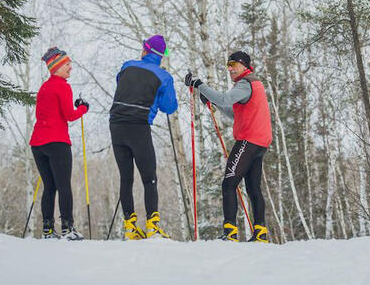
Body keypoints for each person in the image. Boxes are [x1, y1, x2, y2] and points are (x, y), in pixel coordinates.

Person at [185, 51, 272, 243]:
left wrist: (199, 85)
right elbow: (235, 114)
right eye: (228, 65)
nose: (230, 68)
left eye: (233, 64)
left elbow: (224, 99)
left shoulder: (245, 83)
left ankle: (230, 231)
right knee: (253, 188)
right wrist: (212, 102)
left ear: (244, 65)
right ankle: (260, 233)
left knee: (229, 184)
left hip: (248, 140)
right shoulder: (253, 85)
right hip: (260, 142)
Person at [109, 35, 178, 240]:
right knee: (149, 178)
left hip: (116, 124)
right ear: (162, 56)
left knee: (126, 177)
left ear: (145, 50)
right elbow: (169, 107)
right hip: (138, 127)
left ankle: (130, 227)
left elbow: (121, 82)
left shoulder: (127, 66)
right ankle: (152, 226)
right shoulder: (164, 77)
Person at [29, 47, 89, 241]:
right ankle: (67, 229)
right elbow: (69, 115)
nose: (71, 67)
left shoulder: (44, 87)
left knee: (49, 186)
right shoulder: (62, 86)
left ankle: (47, 229)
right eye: (67, 64)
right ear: (56, 67)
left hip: (38, 143)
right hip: (57, 142)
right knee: (64, 186)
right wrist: (83, 108)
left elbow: (49, 113)